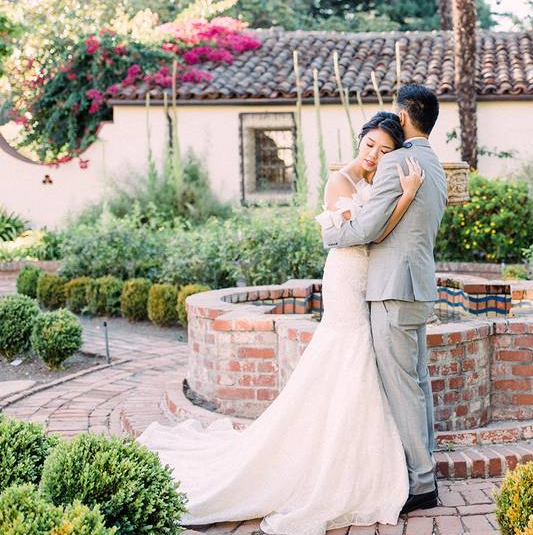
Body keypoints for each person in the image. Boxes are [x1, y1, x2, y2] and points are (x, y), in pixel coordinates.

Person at [138, 110, 424, 535]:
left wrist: (397, 196)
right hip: (347, 276)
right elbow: (366, 233)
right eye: (370, 145)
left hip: (369, 276)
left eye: (385, 151)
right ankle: (325, 462)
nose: (374, 156)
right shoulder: (340, 180)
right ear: (359, 138)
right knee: (348, 352)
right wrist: (406, 196)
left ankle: (349, 452)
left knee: (359, 359)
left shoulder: (372, 181)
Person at [322, 83, 447, 513]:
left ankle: (422, 483)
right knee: (418, 381)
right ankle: (427, 465)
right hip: (418, 289)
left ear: (406, 117)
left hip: (393, 290)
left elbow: (366, 229)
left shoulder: (398, 162)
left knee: (403, 387)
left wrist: (328, 231)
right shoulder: (436, 164)